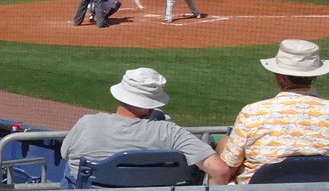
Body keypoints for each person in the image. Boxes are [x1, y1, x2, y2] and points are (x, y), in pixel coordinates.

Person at [216, 39, 329, 184]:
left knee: (224, 143)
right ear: (315, 76)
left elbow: (228, 169)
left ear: (278, 76)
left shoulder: (252, 112)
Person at [60, 68, 231, 182]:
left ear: (120, 96)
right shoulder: (170, 132)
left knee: (71, 168)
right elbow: (220, 171)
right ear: (151, 106)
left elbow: (64, 154)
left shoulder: (87, 123)